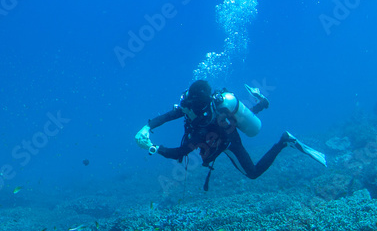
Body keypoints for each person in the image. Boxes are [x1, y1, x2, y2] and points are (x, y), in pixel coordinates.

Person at [135, 80, 326, 191]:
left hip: (228, 141)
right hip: (226, 126)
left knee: (252, 173)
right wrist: (147, 127)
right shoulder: (194, 105)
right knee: (238, 117)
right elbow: (170, 115)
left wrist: (152, 148)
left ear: (197, 103)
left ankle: (283, 142)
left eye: (188, 102)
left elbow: (180, 153)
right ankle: (262, 103)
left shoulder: (203, 124)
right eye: (186, 101)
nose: (184, 106)